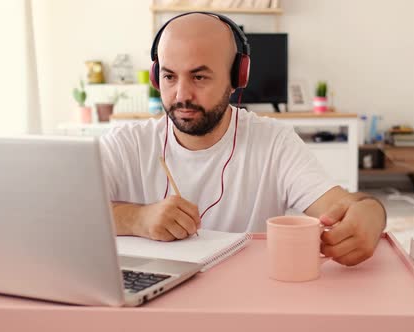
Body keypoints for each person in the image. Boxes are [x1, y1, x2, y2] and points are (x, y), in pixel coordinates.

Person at [100, 12, 386, 266]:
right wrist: (138, 219)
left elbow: (346, 206)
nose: (181, 95)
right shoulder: (126, 144)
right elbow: (62, 211)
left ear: (237, 76)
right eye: (169, 77)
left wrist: (370, 214)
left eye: (199, 77)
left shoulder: (274, 142)